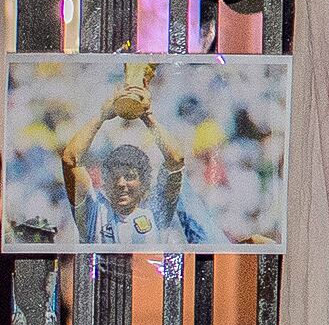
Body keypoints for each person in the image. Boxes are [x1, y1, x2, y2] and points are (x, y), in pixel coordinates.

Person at [57, 66, 218, 247]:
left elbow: (176, 160)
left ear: (143, 182)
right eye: (115, 177)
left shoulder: (155, 211)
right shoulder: (93, 212)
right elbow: (70, 159)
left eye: (130, 177)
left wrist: (147, 117)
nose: (121, 183)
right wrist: (102, 116)